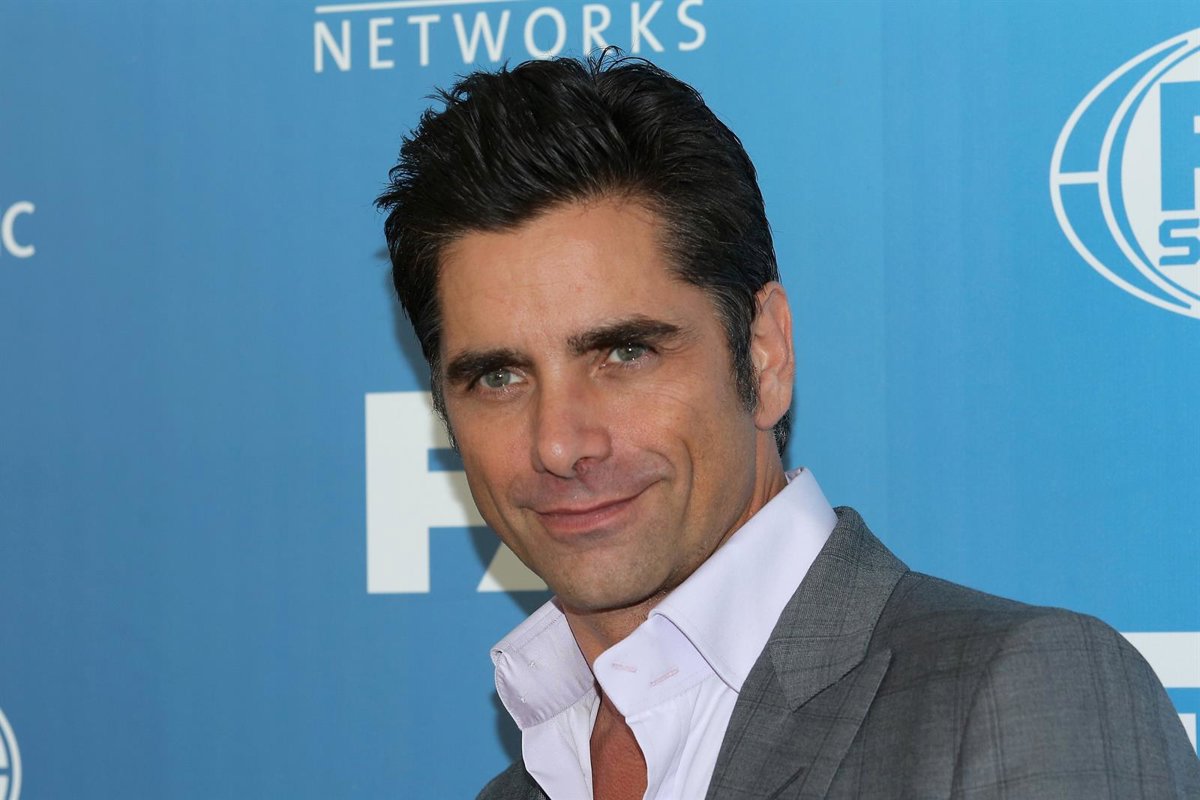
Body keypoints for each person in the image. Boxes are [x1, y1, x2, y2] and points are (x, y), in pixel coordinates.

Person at [377, 53, 1200, 800]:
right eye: (498, 377)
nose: (560, 443)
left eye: (625, 353)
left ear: (764, 354)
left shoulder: (1015, 696)